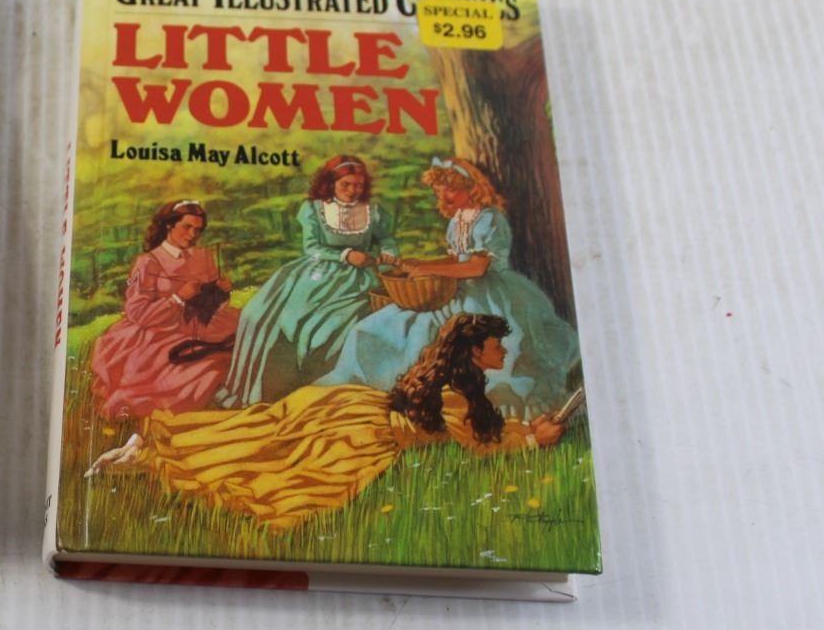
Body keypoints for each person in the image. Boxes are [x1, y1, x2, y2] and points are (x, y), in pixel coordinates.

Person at [90, 314, 564, 529]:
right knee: (282, 469)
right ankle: (151, 459)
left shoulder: (456, 382)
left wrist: (526, 430)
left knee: (265, 433)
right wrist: (530, 443)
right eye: (497, 345)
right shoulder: (455, 391)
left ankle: (150, 449)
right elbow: (477, 444)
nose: (503, 351)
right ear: (476, 351)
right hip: (366, 431)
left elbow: (479, 431)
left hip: (355, 406)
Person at [319, 157, 578, 414]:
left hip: (486, 293)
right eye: (439, 191)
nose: (444, 196)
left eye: (450, 189)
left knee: (433, 334)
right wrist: (421, 263)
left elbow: (476, 268)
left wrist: (428, 269)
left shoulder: (489, 219)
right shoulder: (457, 220)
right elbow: (457, 260)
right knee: (378, 326)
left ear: (471, 188)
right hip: (456, 288)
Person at [215, 155, 395, 407]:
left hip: (359, 278)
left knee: (334, 326)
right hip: (315, 273)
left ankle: (324, 392)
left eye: (358, 185)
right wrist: (346, 255)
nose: (352, 191)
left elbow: (387, 240)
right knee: (262, 316)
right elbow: (312, 248)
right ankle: (267, 394)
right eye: (345, 184)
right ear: (331, 184)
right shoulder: (314, 209)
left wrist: (388, 254)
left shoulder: (372, 212)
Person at [88, 200, 240, 420]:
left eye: (198, 230)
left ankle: (227, 395)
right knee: (196, 368)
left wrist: (221, 292)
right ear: (169, 225)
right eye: (187, 227)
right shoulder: (148, 262)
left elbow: (213, 304)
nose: (193, 235)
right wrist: (178, 298)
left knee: (238, 343)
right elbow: (137, 312)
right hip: (160, 330)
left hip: (203, 324)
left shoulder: (204, 256)